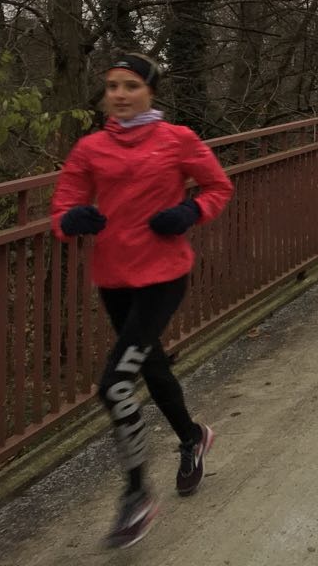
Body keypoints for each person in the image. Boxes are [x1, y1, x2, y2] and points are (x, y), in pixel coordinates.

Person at [50, 54, 234, 549]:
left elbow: (218, 186)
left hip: (162, 278)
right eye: (112, 86)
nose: (120, 94)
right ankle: (193, 437)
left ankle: (136, 495)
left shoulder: (177, 139)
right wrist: (71, 220)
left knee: (114, 384)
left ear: (150, 91)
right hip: (113, 278)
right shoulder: (90, 147)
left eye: (131, 85)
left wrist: (190, 211)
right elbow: (63, 204)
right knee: (150, 367)